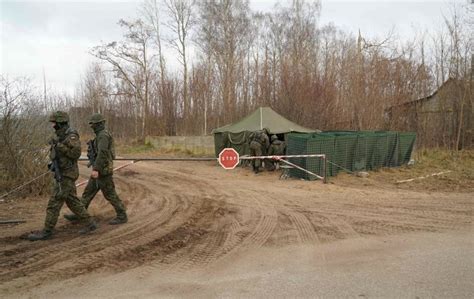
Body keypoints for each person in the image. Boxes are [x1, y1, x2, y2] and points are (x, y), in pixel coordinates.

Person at [27, 111, 98, 241]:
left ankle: (47, 231)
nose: (52, 125)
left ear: (60, 123)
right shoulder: (60, 135)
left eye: (54, 123)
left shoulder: (71, 135)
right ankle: (90, 223)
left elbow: (75, 154)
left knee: (54, 203)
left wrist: (59, 146)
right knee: (73, 201)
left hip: (66, 175)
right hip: (63, 173)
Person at [64, 113, 128, 225]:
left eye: (93, 124)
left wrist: (96, 169)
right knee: (88, 193)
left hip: (103, 172)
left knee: (110, 194)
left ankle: (122, 215)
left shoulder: (103, 136)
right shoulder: (100, 135)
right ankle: (80, 213)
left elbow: (102, 153)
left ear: (99, 124)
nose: (92, 126)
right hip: (99, 170)